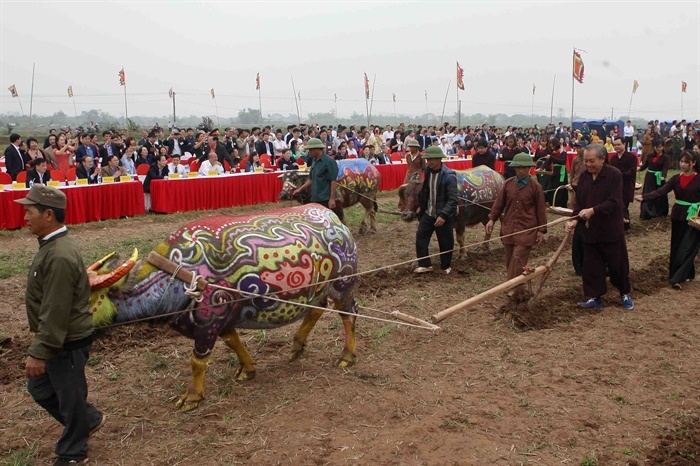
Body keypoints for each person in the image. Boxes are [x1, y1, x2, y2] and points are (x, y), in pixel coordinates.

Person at [14, 185, 105, 465]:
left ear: (49, 215)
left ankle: (73, 451)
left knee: (70, 396)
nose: (25, 217)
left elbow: (56, 309)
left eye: (29, 212)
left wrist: (40, 351)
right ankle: (87, 419)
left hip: (66, 340)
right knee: (40, 389)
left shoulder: (59, 255)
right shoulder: (52, 246)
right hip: (58, 339)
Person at [565, 143, 633, 310]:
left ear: (602, 159)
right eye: (586, 161)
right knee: (592, 265)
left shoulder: (614, 175)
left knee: (617, 265)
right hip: (591, 230)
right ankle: (595, 297)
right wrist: (575, 219)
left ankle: (624, 293)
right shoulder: (584, 177)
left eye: (591, 161)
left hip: (610, 229)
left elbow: (614, 201)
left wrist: (593, 210)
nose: (588, 165)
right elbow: (579, 202)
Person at [635, 151, 700, 289]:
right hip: (678, 215)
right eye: (681, 161)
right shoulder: (676, 178)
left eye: (686, 162)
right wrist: (645, 197)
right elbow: (662, 191)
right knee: (677, 245)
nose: (682, 164)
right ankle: (687, 273)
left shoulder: (698, 179)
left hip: (694, 217)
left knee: (688, 247)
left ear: (693, 163)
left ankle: (677, 278)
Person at [486, 153, 547, 281]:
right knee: (509, 259)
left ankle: (512, 287)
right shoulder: (508, 184)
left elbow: (541, 209)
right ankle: (515, 286)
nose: (521, 170)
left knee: (518, 258)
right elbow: (499, 204)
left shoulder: (536, 187)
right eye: (518, 167)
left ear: (529, 168)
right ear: (514, 168)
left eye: (524, 167)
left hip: (527, 229)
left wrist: (541, 230)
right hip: (509, 228)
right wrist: (492, 219)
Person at [413, 146, 459, 275]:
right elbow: (426, 191)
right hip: (429, 212)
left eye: (432, 160)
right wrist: (422, 205)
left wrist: (443, 215)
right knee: (421, 237)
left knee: (445, 241)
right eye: (428, 160)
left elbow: (452, 199)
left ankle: (446, 266)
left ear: (439, 159)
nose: (429, 162)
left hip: (443, 215)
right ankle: (425, 264)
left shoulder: (449, 176)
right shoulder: (427, 171)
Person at [292, 138, 339, 212]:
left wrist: (332, 199)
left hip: (325, 198)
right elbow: (311, 179)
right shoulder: (314, 160)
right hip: (315, 197)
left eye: (310, 150)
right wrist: (300, 189)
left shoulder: (329, 162)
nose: (309, 152)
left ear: (316, 149)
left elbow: (333, 181)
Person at [637, 139, 670, 220]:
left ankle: (659, 212)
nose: (658, 149)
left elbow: (665, 168)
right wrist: (639, 168)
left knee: (659, 194)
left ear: (663, 147)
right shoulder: (650, 155)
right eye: (656, 147)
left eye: (660, 147)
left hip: (659, 178)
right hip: (650, 177)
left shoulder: (665, 157)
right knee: (648, 193)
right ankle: (647, 212)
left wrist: (663, 175)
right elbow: (645, 165)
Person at [610, 137, 638, 230]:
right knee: (617, 204)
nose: (616, 147)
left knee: (624, 205)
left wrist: (618, 175)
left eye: (618, 144)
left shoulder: (631, 157)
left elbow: (632, 172)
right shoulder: (613, 158)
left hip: (627, 185)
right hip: (615, 186)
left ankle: (625, 224)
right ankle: (619, 224)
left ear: (624, 144)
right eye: (615, 145)